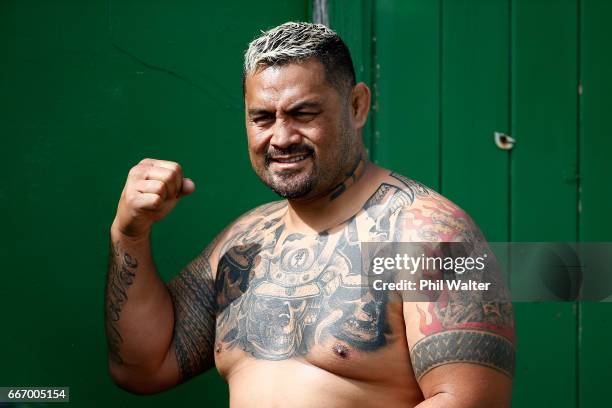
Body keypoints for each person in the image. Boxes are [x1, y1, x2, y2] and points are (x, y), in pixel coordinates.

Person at [105, 22, 515, 407]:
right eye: (262, 118)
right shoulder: (243, 243)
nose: (281, 138)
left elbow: (469, 402)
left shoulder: (430, 232)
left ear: (357, 106)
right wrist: (130, 234)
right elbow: (143, 368)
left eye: (303, 114)